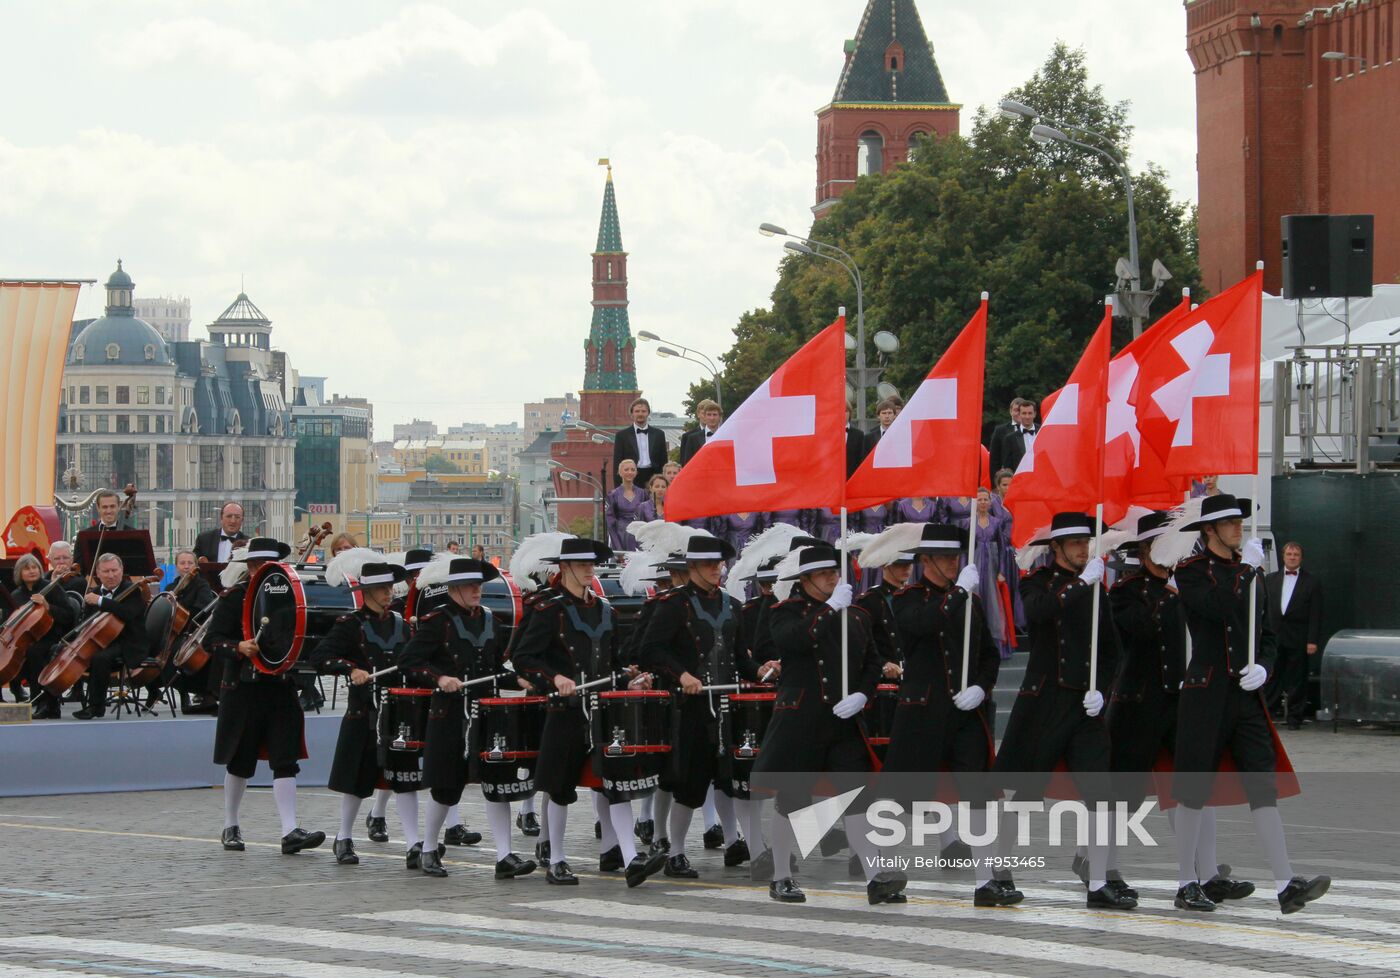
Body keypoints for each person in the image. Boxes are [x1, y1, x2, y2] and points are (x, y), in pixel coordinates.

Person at [1167, 495, 1329, 914]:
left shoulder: (1248, 572)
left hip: (1245, 695)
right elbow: (1215, 607)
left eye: (1240, 520)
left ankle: (1284, 883)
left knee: (1263, 786)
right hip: (1206, 693)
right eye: (1228, 521)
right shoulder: (1191, 572)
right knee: (1193, 790)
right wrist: (1250, 573)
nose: (1238, 527)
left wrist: (1265, 667)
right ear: (1209, 530)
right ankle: (1187, 881)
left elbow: (1268, 634)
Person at [1106, 511, 1254, 905]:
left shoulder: (1185, 584)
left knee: (1192, 790)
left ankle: (1206, 873)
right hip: (1138, 704)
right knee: (1124, 796)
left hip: (1179, 701)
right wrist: (1169, 596)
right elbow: (1138, 629)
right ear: (1144, 549)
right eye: (1160, 544)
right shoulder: (1126, 591)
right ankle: (1104, 869)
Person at [993, 512, 1132, 909]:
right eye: (1073, 544)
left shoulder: (1094, 588)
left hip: (1083, 704)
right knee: (1025, 792)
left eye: (1085, 543)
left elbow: (1111, 649)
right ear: (1055, 548)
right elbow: (1038, 614)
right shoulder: (1038, 582)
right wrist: (1079, 584)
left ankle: (1098, 882)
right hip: (1047, 700)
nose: (1082, 550)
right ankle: (1001, 869)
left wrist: (1102, 691)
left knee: (1101, 794)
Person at [754, 544, 906, 906]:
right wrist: (829, 608)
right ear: (805, 579)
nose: (832, 579)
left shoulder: (855, 615)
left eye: (835, 573)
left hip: (843, 718)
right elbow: (796, 641)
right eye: (824, 574)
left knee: (857, 796)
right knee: (792, 799)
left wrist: (862, 694)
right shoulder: (784, 612)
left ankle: (874, 878)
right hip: (801, 718)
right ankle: (781, 876)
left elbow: (873, 660)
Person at [512, 537, 669, 887]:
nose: (589, 570)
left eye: (591, 564)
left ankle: (631, 860)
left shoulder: (604, 609)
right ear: (564, 567)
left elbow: (613, 662)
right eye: (582, 564)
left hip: (603, 713)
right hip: (564, 710)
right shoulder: (547, 608)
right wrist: (554, 678)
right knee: (559, 787)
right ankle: (556, 859)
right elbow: (523, 658)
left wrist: (629, 680)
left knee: (616, 784)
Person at [877, 523, 1013, 907]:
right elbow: (923, 623)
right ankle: (884, 871)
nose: (954, 564)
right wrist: (958, 593)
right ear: (926, 561)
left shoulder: (967, 599)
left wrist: (981, 687)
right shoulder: (908, 598)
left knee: (980, 797)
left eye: (956, 557)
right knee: (899, 799)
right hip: (922, 714)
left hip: (964, 713)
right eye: (946, 558)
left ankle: (988, 881)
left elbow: (988, 652)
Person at [640, 534, 770, 876]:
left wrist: (761, 671)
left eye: (720, 564)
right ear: (693, 567)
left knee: (734, 779)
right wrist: (681, 674)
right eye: (711, 564)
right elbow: (650, 649)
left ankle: (744, 846)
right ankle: (676, 853)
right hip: (690, 708)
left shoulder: (733, 605)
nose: (718, 569)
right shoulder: (672, 604)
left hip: (728, 706)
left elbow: (740, 657)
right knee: (690, 783)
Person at [399, 557, 530, 879]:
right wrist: (439, 678)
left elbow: (494, 671)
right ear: (455, 588)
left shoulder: (491, 620)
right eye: (471, 585)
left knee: (498, 784)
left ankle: (505, 856)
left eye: (480, 585)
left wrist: (519, 680)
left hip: (487, 713)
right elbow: (409, 663)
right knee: (446, 787)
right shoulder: (436, 622)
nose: (477, 590)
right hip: (450, 716)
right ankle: (428, 848)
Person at [209, 537, 325, 856]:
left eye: (267, 565)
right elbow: (212, 641)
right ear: (249, 566)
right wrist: (238, 648)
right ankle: (231, 824)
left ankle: (290, 831)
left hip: (279, 686)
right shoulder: (234, 598)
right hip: (243, 689)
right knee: (240, 761)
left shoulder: (289, 599)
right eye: (256, 564)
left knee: (285, 759)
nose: (261, 569)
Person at [314, 556, 423, 868]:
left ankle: (414, 843)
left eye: (390, 587)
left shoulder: (402, 626)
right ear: (367, 591)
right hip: (365, 712)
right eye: (383, 588)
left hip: (400, 715)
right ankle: (344, 836)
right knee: (356, 780)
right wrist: (351, 669)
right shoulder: (349, 625)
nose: (389, 592)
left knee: (406, 779)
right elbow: (321, 656)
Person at [73, 553, 149, 720]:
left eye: (114, 570)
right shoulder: (93, 592)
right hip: (101, 641)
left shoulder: (132, 590)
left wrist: (101, 601)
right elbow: (86, 622)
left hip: (128, 642)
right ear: (98, 574)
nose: (111, 575)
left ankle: (96, 707)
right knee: (60, 651)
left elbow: (127, 613)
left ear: (121, 571)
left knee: (100, 658)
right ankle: (49, 704)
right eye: (106, 571)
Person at [10, 553, 78, 719]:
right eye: (27, 568)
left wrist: (48, 606)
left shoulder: (52, 588)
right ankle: (17, 692)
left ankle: (45, 704)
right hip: (25, 639)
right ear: (19, 573)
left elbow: (69, 615)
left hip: (52, 637)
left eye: (34, 567)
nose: (32, 571)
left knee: (34, 652)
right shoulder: (16, 595)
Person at [1264, 542, 1323, 729]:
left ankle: (1294, 718)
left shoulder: (1312, 582)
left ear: (1301, 558)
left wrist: (1312, 640)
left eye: (1296, 554)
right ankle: (1268, 715)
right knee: (1272, 676)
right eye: (1289, 554)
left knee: (1297, 679)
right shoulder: (1270, 579)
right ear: (1283, 556)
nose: (1292, 557)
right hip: (1274, 636)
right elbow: (1263, 609)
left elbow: (1316, 613)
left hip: (1299, 637)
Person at [164, 549, 219, 714]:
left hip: (194, 631)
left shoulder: (201, 584)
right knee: (159, 650)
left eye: (190, 563)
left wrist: (181, 613)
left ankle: (200, 693)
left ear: (195, 566)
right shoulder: (171, 587)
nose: (186, 567)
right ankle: (167, 690)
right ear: (176, 567)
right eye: (182, 563)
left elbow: (203, 610)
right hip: (173, 633)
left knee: (180, 654)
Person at [613, 398, 669, 490]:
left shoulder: (659, 434)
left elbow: (663, 460)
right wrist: (618, 488)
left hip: (653, 477)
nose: (640, 414)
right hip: (631, 477)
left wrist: (663, 482)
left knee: (653, 504)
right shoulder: (622, 435)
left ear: (648, 413)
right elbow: (617, 463)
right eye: (637, 411)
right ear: (632, 414)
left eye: (643, 411)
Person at [604, 459, 647, 552]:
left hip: (639, 535)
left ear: (636, 472)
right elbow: (610, 523)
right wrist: (618, 549)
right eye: (626, 469)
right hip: (620, 535)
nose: (630, 472)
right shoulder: (613, 495)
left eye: (632, 469)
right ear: (620, 472)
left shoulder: (643, 493)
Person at [679, 399, 722, 466]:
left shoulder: (727, 435)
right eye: (709, 415)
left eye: (715, 415)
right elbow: (687, 464)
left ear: (720, 417)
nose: (712, 418)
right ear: (704, 416)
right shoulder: (692, 438)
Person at [862, 395, 903, 459]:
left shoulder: (903, 436)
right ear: (878, 416)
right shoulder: (868, 438)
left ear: (894, 415)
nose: (887, 416)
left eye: (889, 413)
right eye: (884, 413)